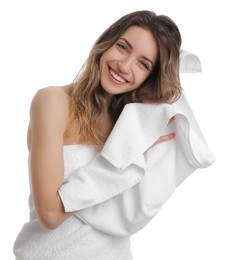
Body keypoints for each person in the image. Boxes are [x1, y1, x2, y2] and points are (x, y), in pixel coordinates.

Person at [13, 10, 214, 260]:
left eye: (143, 64)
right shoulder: (53, 102)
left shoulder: (134, 126)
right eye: (122, 47)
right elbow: (51, 214)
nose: (124, 66)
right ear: (105, 43)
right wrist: (118, 168)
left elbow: (133, 213)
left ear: (150, 77)